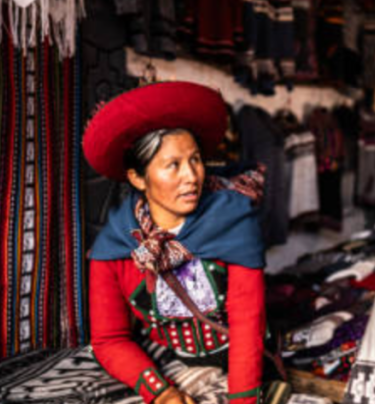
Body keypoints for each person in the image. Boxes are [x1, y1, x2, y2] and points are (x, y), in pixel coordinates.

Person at [85, 81, 267, 404]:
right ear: (138, 178)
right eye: (173, 165)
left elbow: (245, 329)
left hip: (238, 360)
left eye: (195, 160)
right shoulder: (114, 247)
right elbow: (109, 339)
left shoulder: (233, 223)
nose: (192, 176)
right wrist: (160, 392)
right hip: (164, 362)